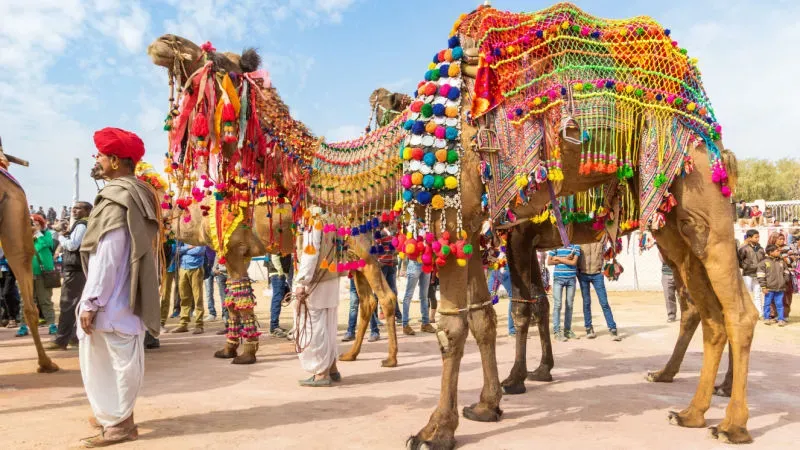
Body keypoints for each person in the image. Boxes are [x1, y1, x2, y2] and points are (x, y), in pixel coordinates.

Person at [77, 127, 160, 446]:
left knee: (112, 365)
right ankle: (114, 419)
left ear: (114, 160)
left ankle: (120, 424)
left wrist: (92, 300)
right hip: (122, 298)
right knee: (118, 363)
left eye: (100, 155)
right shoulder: (135, 193)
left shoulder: (117, 198)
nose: (96, 160)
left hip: (110, 300)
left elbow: (108, 255)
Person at [292, 209, 341, 387]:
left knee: (314, 324)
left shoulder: (314, 219)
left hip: (317, 280)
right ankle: (332, 367)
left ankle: (321, 373)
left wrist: (301, 281)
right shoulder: (335, 217)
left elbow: (310, 252)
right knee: (329, 323)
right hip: (332, 277)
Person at [47, 202, 91, 350]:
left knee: (67, 304)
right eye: (74, 208)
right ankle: (73, 337)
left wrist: (61, 237)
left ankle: (61, 340)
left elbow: (73, 245)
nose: (74, 210)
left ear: (87, 211)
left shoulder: (81, 225)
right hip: (78, 269)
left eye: (79, 208)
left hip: (74, 270)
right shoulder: (82, 225)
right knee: (76, 304)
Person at [17, 214, 57, 337]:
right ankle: (23, 326)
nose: (33, 226)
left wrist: (38, 233)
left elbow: (43, 245)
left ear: (42, 224)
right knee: (26, 302)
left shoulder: (47, 235)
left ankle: (52, 325)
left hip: (43, 274)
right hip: (26, 275)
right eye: (30, 224)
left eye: (36, 223)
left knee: (45, 301)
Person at [577, 242, 621, 341]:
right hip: (583, 274)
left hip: (597, 275)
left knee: (604, 302)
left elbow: (607, 252)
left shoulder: (600, 237)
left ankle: (613, 329)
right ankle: (589, 328)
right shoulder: (580, 238)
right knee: (586, 302)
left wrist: (603, 269)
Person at [547, 244, 581, 342]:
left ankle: (567, 331)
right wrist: (566, 259)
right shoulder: (556, 244)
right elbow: (549, 261)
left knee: (569, 305)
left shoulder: (576, 246)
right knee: (557, 305)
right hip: (558, 279)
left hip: (571, 279)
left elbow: (574, 262)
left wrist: (558, 258)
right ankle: (557, 332)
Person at [173, 243, 206, 334]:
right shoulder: (183, 236)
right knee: (184, 298)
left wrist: (184, 250)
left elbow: (200, 250)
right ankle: (183, 324)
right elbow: (176, 250)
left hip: (196, 268)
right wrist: (189, 247)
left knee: (198, 298)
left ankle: (199, 325)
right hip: (183, 268)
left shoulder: (199, 235)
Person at [757, 244, 789, 326]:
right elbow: (760, 276)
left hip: (780, 288)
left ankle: (781, 319)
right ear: (770, 252)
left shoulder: (781, 261)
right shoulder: (764, 263)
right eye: (777, 251)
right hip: (769, 288)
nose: (779, 252)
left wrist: (784, 280)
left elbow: (786, 272)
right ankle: (766, 318)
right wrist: (763, 287)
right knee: (767, 304)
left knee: (779, 304)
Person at [401, 258, 435, 336]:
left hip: (427, 263)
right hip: (415, 263)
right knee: (408, 296)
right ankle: (405, 325)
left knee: (424, 296)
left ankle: (425, 324)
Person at [767, 232, 794, 320]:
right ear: (774, 239)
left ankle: (784, 315)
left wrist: (780, 258)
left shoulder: (788, 248)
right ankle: (773, 314)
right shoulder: (769, 248)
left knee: (786, 296)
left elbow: (792, 260)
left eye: (783, 239)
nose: (782, 241)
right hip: (773, 275)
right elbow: (767, 260)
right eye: (780, 239)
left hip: (786, 275)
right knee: (772, 295)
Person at [343, 277, 380, 342]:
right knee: (353, 305)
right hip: (354, 275)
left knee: (368, 304)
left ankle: (375, 331)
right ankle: (350, 332)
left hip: (365, 275)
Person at [738, 229, 765, 314]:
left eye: (758, 237)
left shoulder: (761, 249)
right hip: (747, 274)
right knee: (747, 294)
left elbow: (763, 260)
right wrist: (746, 266)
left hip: (758, 274)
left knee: (757, 294)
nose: (758, 239)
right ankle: (746, 312)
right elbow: (739, 260)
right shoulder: (744, 249)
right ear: (749, 238)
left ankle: (759, 312)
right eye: (756, 237)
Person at [267, 253, 293, 337]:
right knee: (277, 299)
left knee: (277, 299)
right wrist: (281, 272)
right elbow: (274, 256)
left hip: (278, 272)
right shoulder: (278, 241)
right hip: (277, 273)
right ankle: (274, 327)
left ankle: (275, 325)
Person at [159, 240, 178, 331]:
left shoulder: (170, 234)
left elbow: (174, 250)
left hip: (168, 269)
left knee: (165, 295)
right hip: (156, 267)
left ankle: (161, 322)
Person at [0, 247, 21, 328]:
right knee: (2, 295)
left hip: (9, 269)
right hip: (1, 270)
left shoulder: (8, 238)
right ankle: (5, 317)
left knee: (7, 293)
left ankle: (12, 318)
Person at [659, 253, 678, 322]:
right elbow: (663, 259)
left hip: (680, 274)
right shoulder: (662, 248)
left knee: (683, 296)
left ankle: (686, 315)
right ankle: (671, 315)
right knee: (668, 296)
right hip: (666, 274)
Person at [203, 248, 219, 322]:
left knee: (223, 292)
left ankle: (225, 314)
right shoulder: (203, 240)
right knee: (209, 292)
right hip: (207, 267)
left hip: (218, 267)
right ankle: (212, 313)